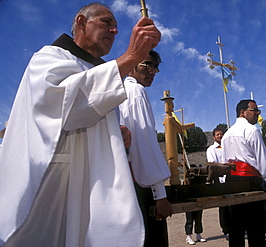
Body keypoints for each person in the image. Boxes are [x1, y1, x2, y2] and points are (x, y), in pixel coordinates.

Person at [0, 3, 161, 246]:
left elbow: (87, 111)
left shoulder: (101, 71)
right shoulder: (49, 57)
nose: (115, 31)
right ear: (81, 23)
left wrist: (113, 135)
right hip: (51, 187)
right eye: (107, 22)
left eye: (116, 27)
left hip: (86, 185)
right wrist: (132, 57)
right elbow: (66, 105)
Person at [118, 50, 173, 246]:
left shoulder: (119, 90)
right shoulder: (136, 91)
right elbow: (144, 143)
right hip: (141, 185)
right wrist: (160, 194)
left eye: (155, 68)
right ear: (132, 63)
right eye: (147, 65)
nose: (152, 71)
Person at [221, 99, 266, 247]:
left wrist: (224, 185)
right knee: (256, 228)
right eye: (254, 110)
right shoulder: (251, 130)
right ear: (243, 112)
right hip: (250, 183)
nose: (258, 113)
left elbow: (224, 164)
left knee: (236, 227)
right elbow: (263, 159)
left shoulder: (226, 135)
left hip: (232, 184)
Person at [206, 127, 231, 240]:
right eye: (218, 135)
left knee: (234, 203)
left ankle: (236, 228)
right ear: (214, 137)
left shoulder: (228, 147)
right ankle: (226, 230)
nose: (220, 136)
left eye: (221, 134)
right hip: (220, 180)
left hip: (230, 178)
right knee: (224, 206)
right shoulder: (211, 149)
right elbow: (213, 164)